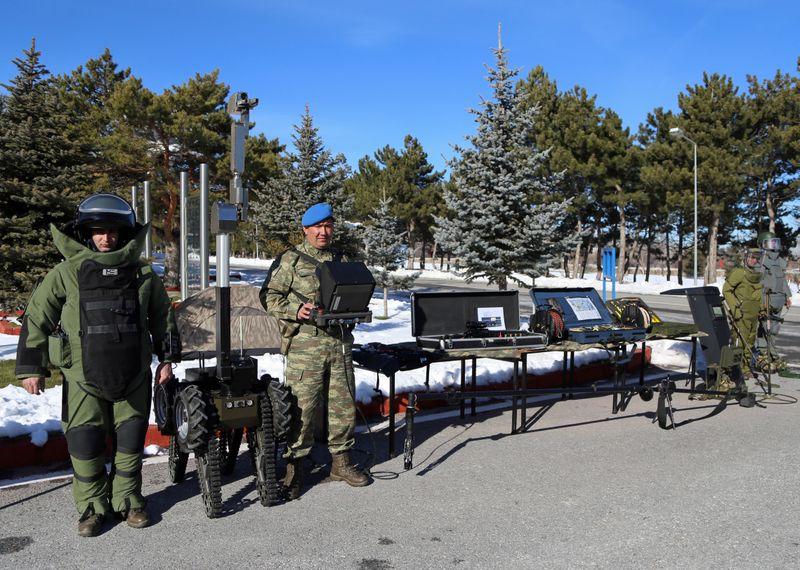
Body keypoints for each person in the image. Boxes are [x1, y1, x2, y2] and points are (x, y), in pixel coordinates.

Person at [15, 194, 179, 537]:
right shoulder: (66, 273)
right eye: (99, 231)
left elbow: (163, 317)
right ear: (86, 233)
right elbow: (36, 318)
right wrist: (32, 368)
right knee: (85, 443)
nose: (106, 237)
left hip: (133, 374)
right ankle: (92, 507)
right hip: (81, 377)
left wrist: (166, 360)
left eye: (113, 231)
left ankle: (129, 501)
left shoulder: (143, 273)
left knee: (130, 443)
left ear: (123, 233)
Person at [259, 202, 369, 500]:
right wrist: (296, 310)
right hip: (305, 346)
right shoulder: (291, 260)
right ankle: (294, 467)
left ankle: (341, 462)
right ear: (305, 229)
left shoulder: (341, 260)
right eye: (318, 227)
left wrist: (355, 307)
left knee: (342, 405)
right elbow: (268, 297)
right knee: (302, 408)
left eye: (328, 226)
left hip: (339, 343)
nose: (323, 232)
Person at [755, 231, 792, 372]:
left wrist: (787, 297)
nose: (773, 246)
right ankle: (763, 356)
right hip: (766, 299)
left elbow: (783, 280)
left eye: (775, 242)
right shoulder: (760, 261)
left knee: (773, 330)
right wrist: (759, 302)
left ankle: (771, 356)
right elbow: (757, 282)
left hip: (778, 299)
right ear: (762, 244)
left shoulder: (779, 262)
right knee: (765, 329)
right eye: (770, 243)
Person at [722, 248, 763, 377]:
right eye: (751, 257)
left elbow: (758, 295)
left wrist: (761, 309)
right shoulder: (739, 272)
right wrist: (735, 309)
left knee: (749, 342)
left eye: (756, 258)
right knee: (739, 341)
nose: (753, 260)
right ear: (746, 258)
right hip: (741, 314)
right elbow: (726, 290)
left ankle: (745, 368)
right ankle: (735, 370)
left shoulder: (756, 275)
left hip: (753, 315)